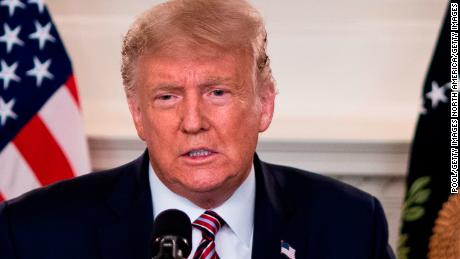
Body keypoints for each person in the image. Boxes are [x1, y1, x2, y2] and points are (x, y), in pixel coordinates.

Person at [0, 0, 395, 258]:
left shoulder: (350, 226)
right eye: (168, 97)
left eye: (218, 92)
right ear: (138, 114)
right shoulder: (36, 233)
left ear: (265, 104)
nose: (193, 122)